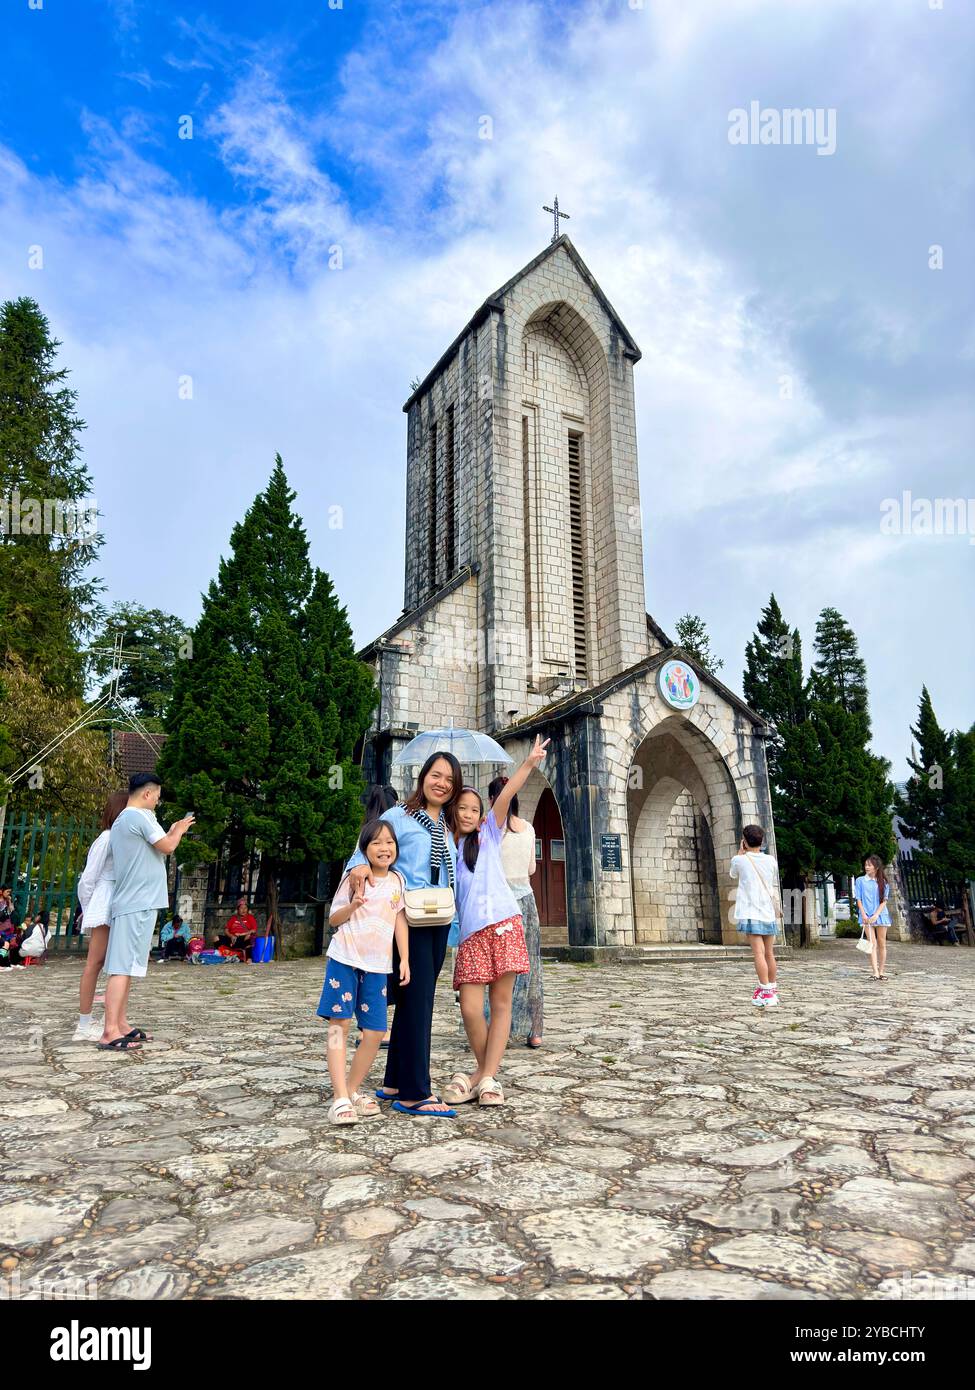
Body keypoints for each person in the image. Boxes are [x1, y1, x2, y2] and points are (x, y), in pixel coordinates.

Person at [345, 750, 462, 1117]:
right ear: (423, 777)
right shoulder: (399, 816)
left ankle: (394, 1080)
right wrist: (359, 869)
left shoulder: (446, 824)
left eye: (449, 779)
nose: (441, 783)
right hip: (407, 921)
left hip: (439, 922)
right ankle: (414, 1092)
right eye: (436, 775)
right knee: (418, 1004)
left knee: (414, 1001)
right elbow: (364, 849)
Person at [443, 736, 549, 1108]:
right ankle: (481, 1073)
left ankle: (484, 1078)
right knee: (471, 1008)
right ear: (452, 811)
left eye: (475, 809)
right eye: (463, 808)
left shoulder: (489, 834)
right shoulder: (444, 845)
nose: (470, 814)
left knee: (501, 1005)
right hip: (471, 935)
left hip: (505, 925)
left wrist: (530, 762)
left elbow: (506, 796)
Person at [319, 819, 409, 1125]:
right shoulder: (354, 879)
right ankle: (339, 1097)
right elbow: (334, 919)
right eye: (376, 843)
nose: (384, 848)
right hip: (345, 958)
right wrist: (354, 905)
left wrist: (405, 959)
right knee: (338, 1026)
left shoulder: (398, 881)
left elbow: (399, 920)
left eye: (389, 843)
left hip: (378, 966)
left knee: (374, 1032)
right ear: (365, 849)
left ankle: (352, 1089)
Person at [100, 773, 194, 1051]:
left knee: (129, 967)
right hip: (134, 902)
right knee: (120, 967)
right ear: (147, 794)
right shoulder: (135, 817)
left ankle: (121, 1023)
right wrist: (178, 830)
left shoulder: (135, 819)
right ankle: (109, 1031)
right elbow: (167, 846)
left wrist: (172, 830)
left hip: (141, 901)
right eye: (157, 796)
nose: (158, 801)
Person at [483, 775, 544, 1049]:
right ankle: (534, 1030)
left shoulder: (493, 829)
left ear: (492, 799)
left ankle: (498, 1027)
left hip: (501, 903)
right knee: (530, 965)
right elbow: (531, 868)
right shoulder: (529, 828)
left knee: (499, 968)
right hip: (527, 901)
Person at [73, 790, 128, 1040]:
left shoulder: (123, 839)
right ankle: (84, 1025)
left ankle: (115, 1021)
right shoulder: (107, 839)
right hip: (104, 901)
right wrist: (88, 909)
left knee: (117, 964)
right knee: (94, 963)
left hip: (120, 901)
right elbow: (88, 878)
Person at [730, 824, 782, 1008]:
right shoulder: (771, 861)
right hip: (768, 911)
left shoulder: (739, 860)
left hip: (751, 911)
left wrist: (740, 852)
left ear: (744, 841)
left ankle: (765, 991)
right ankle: (772, 989)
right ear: (762, 841)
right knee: (769, 952)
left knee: (758, 953)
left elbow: (733, 874)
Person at [855, 854, 892, 980]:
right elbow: (858, 899)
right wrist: (864, 914)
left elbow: (884, 901)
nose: (866, 867)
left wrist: (876, 915)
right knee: (872, 943)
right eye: (865, 865)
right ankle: (875, 972)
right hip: (866, 917)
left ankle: (881, 972)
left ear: (876, 867)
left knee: (882, 943)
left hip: (881, 915)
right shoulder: (860, 881)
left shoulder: (884, 882)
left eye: (869, 865)